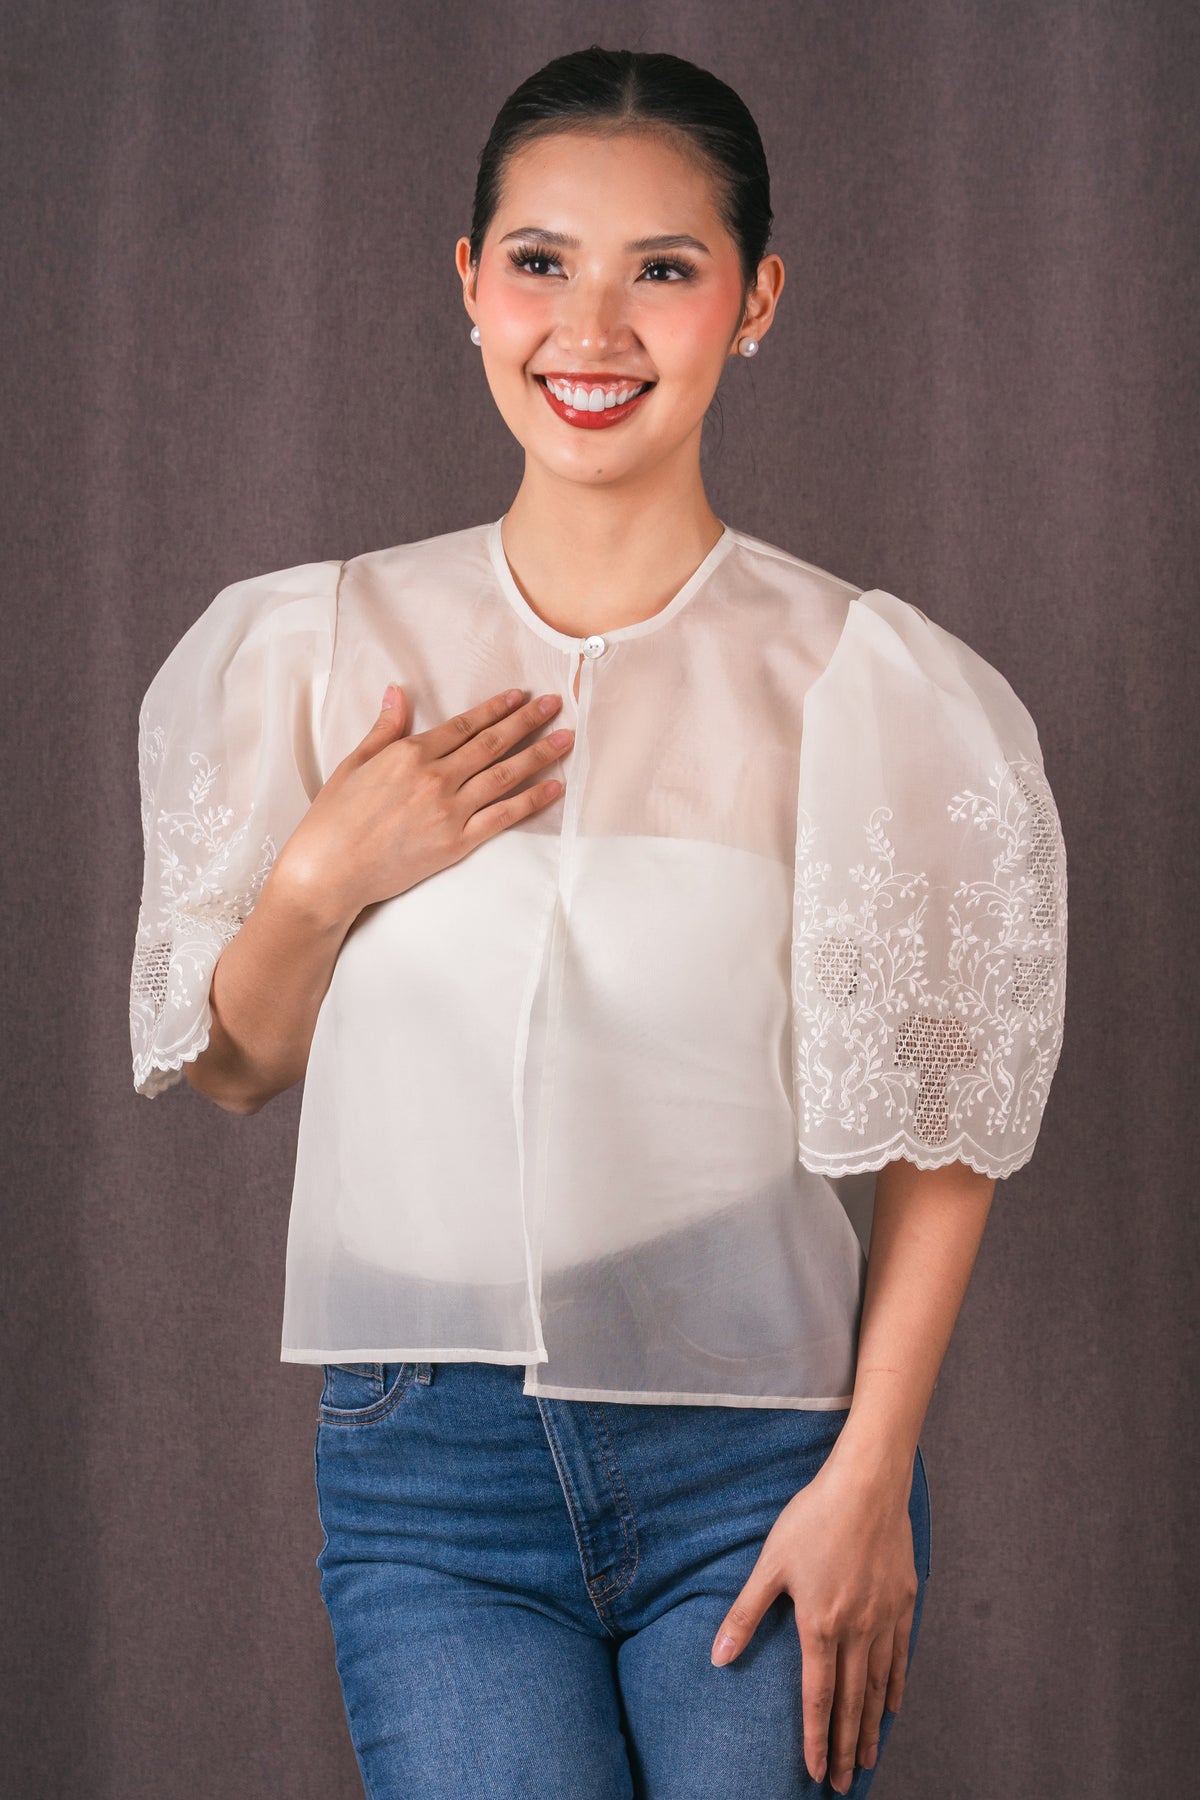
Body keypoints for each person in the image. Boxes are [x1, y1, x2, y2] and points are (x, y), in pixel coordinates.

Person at [128, 45, 1068, 1800]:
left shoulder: (864, 683)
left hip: (761, 1459)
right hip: (431, 1480)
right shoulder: (318, 647)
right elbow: (238, 1066)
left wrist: (871, 1474)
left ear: (755, 300)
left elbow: (944, 1130)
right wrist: (327, 873)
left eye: (665, 269)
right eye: (543, 261)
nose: (593, 328)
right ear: (468, 283)